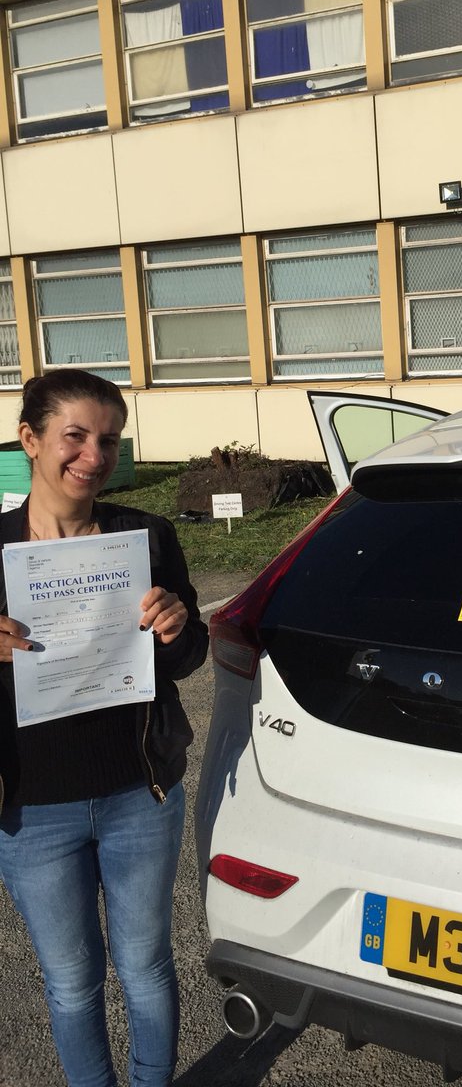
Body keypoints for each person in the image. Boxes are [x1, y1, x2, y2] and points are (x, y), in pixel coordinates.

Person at [0, 369, 208, 1087]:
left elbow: (187, 656)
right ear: (30, 440)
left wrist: (176, 630)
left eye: (110, 441)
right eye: (76, 436)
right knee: (71, 981)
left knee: (146, 966)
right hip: (32, 810)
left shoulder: (145, 537)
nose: (94, 456)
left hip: (138, 796)